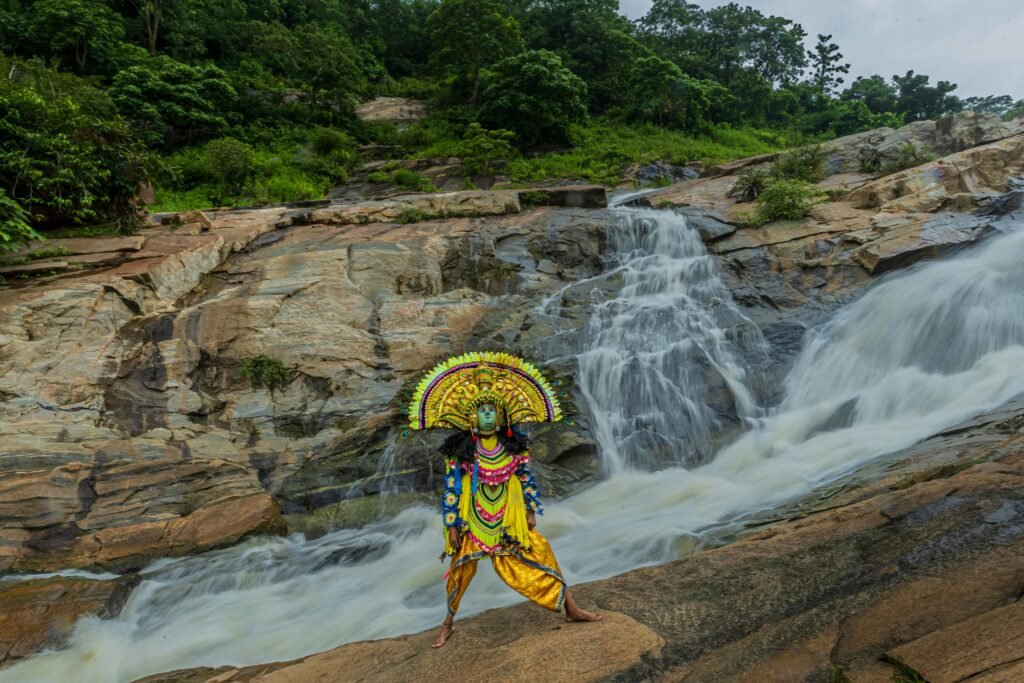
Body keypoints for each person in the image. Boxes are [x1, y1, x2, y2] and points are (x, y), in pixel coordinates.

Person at [406, 352, 601, 649]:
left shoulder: (515, 446)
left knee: (541, 552)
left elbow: (525, 477)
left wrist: (530, 508)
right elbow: (451, 490)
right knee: (461, 568)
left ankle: (571, 609)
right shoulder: (460, 452)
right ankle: (447, 624)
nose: (488, 415)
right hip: (472, 515)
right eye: (482, 410)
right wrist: (453, 525)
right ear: (471, 416)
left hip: (509, 514)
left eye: (493, 410)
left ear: (503, 416)